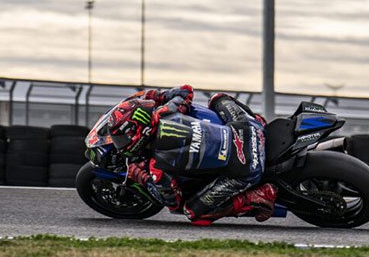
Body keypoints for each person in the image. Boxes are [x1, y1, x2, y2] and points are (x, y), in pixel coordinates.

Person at [104, 85, 277, 226]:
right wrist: (159, 96)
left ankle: (257, 196)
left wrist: (140, 176)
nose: (121, 143)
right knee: (217, 98)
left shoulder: (156, 167)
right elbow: (186, 90)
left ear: (140, 133)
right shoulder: (167, 111)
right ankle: (258, 120)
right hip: (249, 128)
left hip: (246, 167)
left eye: (123, 138)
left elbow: (172, 202)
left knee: (192, 212)